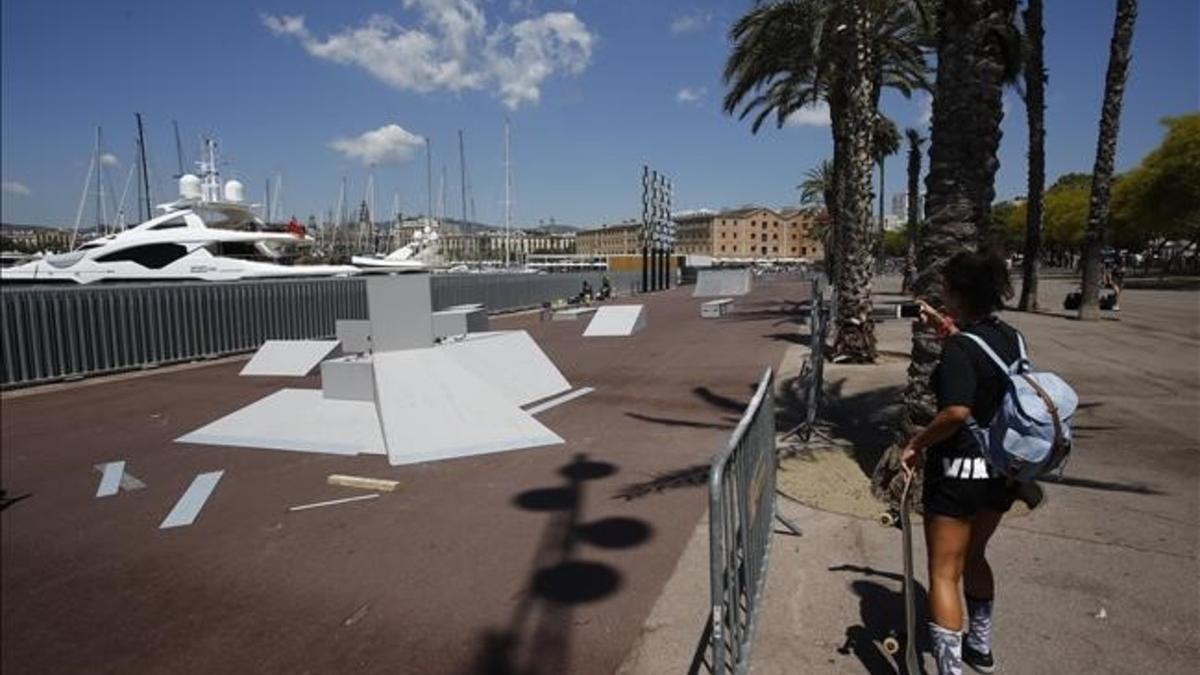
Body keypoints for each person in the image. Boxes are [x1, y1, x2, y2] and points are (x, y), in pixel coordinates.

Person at [899, 249, 1040, 675]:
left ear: (957, 292)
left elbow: (957, 411)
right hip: (1002, 468)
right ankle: (979, 648)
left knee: (944, 571)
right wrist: (947, 330)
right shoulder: (1012, 337)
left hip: (960, 467)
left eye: (946, 287)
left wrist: (917, 443)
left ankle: (950, 668)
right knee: (975, 555)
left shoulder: (961, 348)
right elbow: (988, 371)